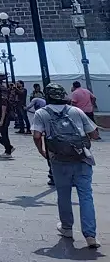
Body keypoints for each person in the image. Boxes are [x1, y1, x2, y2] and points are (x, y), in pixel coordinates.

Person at [32, 82, 99, 248]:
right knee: (86, 196)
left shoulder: (41, 113)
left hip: (59, 160)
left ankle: (67, 228)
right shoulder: (75, 111)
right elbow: (94, 134)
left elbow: (36, 135)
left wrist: (42, 152)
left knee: (63, 194)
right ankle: (90, 235)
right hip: (82, 158)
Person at [0, 86, 14, 158]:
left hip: (4, 119)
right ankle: (9, 147)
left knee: (4, 134)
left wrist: (2, 120)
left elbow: (4, 111)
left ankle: (8, 152)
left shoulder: (3, 99)